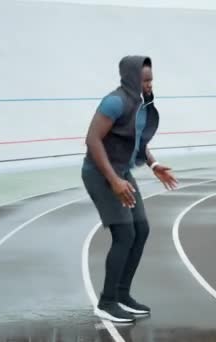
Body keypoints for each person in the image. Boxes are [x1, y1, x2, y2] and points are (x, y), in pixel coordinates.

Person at [82, 56, 178, 323]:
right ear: (131, 78)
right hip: (101, 175)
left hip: (121, 173)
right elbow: (92, 140)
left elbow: (135, 139)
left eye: (151, 80)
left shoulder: (139, 104)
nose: (149, 85)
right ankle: (107, 301)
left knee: (141, 229)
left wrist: (154, 164)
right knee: (124, 234)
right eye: (144, 80)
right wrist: (113, 180)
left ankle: (122, 295)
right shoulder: (115, 102)